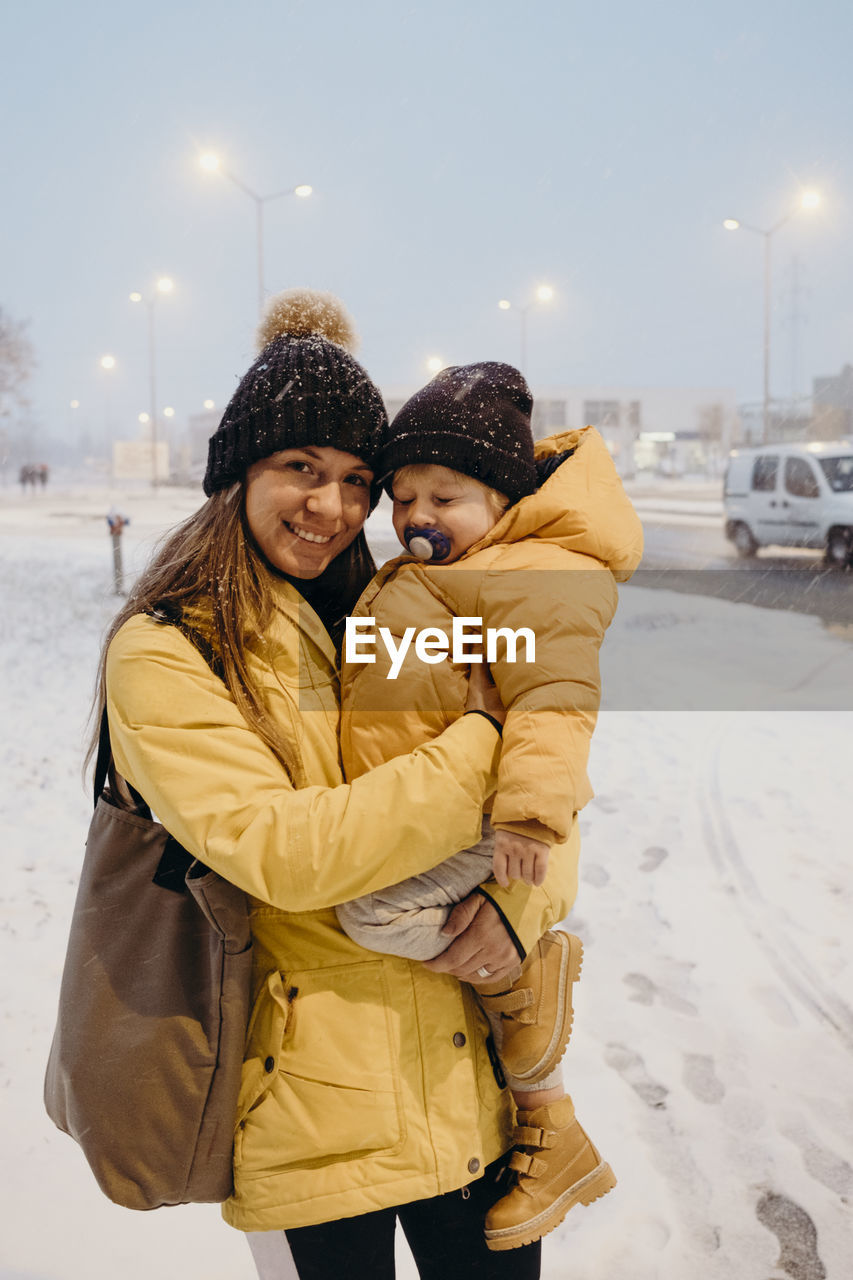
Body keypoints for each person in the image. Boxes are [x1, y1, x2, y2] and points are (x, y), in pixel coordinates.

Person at [93, 291, 576, 1279]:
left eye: (359, 478)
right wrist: (486, 734)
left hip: (464, 1091)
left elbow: (547, 799)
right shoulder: (168, 647)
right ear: (237, 474)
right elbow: (285, 851)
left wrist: (518, 904)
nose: (333, 506)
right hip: (309, 1116)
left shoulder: (389, 611)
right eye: (299, 468)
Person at [337, 362, 644, 1251]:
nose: (417, 516)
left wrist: (528, 817)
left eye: (446, 495)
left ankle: (521, 978)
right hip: (429, 814)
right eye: (401, 496)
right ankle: (551, 1127)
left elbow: (555, 700)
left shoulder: (531, 573)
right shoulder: (463, 572)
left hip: (485, 821)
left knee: (373, 909)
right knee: (439, 949)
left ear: (504, 501)